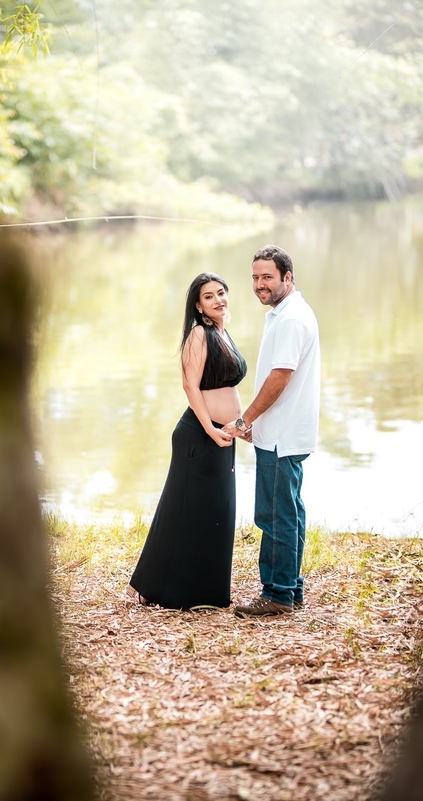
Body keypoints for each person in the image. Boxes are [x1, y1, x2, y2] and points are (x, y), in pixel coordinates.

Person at [129, 272, 248, 610]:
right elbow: (190, 386)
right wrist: (210, 429)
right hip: (200, 434)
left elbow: (227, 388)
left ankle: (205, 592)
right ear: (198, 305)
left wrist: (242, 425)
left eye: (221, 292)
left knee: (215, 512)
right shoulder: (199, 334)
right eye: (209, 296)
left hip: (224, 433)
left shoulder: (224, 334)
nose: (218, 300)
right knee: (184, 512)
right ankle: (155, 587)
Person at [224, 245, 321, 618]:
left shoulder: (292, 318)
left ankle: (277, 594)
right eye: (255, 277)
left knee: (276, 515)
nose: (259, 284)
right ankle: (290, 588)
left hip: (282, 435)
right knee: (290, 511)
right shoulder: (285, 313)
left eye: (267, 277)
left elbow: (280, 378)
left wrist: (245, 420)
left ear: (287, 277)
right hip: (283, 430)